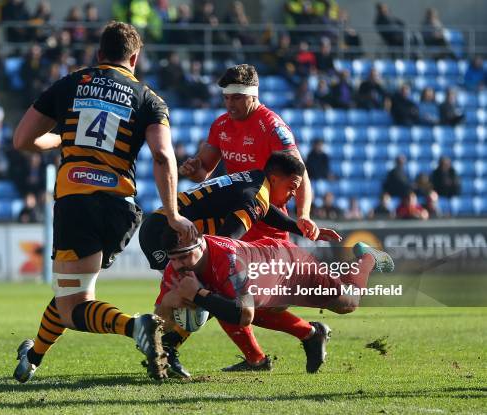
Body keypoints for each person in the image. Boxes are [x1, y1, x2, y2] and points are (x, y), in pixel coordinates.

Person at [11, 21, 196, 383]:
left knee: (74, 305)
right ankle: (32, 357)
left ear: (98, 55)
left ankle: (135, 327)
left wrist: (63, 139)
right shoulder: (148, 98)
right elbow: (162, 155)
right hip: (119, 207)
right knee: (72, 291)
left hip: (76, 199)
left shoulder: (72, 83)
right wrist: (172, 212)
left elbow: (22, 139)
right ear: (134, 57)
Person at [141, 154, 341, 377]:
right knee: (204, 296)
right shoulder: (256, 195)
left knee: (211, 298)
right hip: (171, 236)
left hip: (158, 226)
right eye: (292, 186)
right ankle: (167, 349)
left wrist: (299, 228)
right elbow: (227, 241)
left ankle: (285, 345)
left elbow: (263, 210)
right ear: (274, 179)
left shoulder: (252, 178)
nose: (294, 194)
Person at [177, 64, 319, 372]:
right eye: (226, 98)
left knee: (250, 305)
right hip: (238, 221)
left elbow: (301, 174)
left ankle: (308, 334)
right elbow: (205, 169)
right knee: (223, 292)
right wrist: (192, 169)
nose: (230, 104)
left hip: (268, 224)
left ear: (253, 95)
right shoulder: (221, 125)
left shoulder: (272, 127)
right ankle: (265, 354)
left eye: (237, 98)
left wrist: (304, 214)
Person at [156, 229, 394, 373]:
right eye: (174, 259)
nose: (179, 265)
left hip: (289, 265)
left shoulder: (230, 261)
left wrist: (198, 296)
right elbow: (160, 315)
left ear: (201, 246)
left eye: (185, 256)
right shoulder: (175, 268)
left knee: (348, 302)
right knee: (223, 302)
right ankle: (311, 335)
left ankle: (368, 257)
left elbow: (243, 316)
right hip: (263, 286)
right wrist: (169, 300)